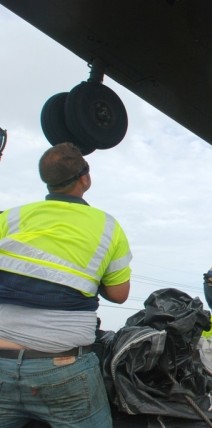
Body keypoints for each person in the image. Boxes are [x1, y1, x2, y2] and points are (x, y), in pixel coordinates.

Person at [0, 142, 132, 427]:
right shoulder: (107, 226)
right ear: (85, 178)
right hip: (62, 367)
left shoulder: (10, 217)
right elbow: (120, 295)